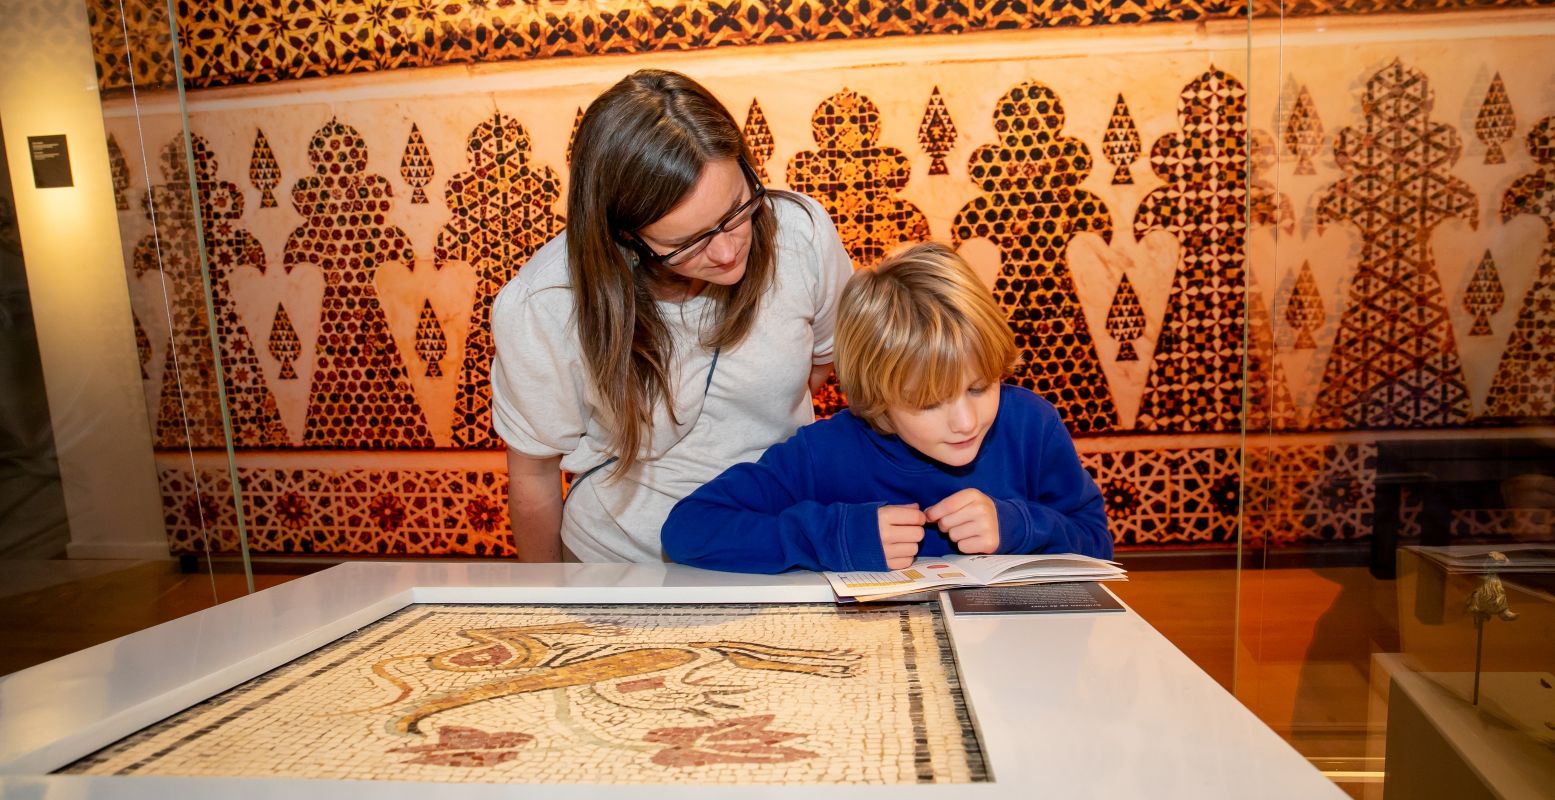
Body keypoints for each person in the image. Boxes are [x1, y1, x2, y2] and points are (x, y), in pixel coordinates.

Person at [490, 69, 852, 563]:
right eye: (687, 242)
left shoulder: (799, 231)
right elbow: (533, 475)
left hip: (775, 538)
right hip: (618, 555)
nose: (727, 252)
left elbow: (825, 363)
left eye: (736, 211)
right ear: (624, 237)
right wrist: (549, 603)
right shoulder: (546, 304)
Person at [661, 242, 1111, 573]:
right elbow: (688, 530)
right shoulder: (825, 453)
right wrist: (837, 536)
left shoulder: (1032, 426)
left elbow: (1096, 542)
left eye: (979, 387)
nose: (965, 422)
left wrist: (1017, 525)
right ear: (878, 397)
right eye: (928, 403)